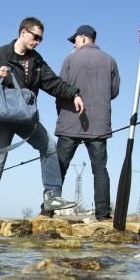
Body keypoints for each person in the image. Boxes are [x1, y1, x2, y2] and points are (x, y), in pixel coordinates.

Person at [0, 17, 85, 217]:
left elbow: (53, 83)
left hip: (27, 119)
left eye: (41, 39)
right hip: (4, 119)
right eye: (36, 37)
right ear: (23, 32)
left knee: (49, 147)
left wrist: (74, 94)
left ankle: (52, 198)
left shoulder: (36, 60)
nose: (38, 42)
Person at [55, 25, 121, 220]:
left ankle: (47, 210)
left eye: (75, 39)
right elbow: (114, 92)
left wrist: (61, 114)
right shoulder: (110, 60)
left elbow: (59, 90)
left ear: (83, 38)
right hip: (99, 123)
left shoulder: (69, 59)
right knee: (100, 169)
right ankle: (103, 215)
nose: (74, 43)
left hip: (69, 121)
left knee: (59, 167)